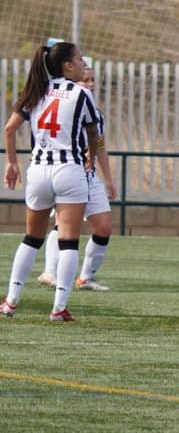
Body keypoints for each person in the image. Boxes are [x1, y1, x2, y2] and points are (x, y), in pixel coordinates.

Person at [3, 40, 113, 322]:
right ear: (67, 65)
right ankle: (59, 308)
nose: (82, 65)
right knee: (68, 242)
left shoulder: (35, 90)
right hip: (69, 169)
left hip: (38, 170)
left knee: (31, 239)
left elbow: (9, 129)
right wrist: (90, 153)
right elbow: (93, 133)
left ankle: (11, 302)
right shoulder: (80, 93)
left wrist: (12, 162)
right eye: (78, 60)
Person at [36, 56, 114, 292]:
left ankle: (86, 277)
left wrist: (108, 179)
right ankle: (50, 271)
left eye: (92, 80)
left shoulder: (96, 113)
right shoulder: (63, 104)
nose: (90, 84)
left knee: (104, 227)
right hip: (68, 171)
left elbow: (99, 145)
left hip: (89, 177)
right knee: (63, 224)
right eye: (86, 79)